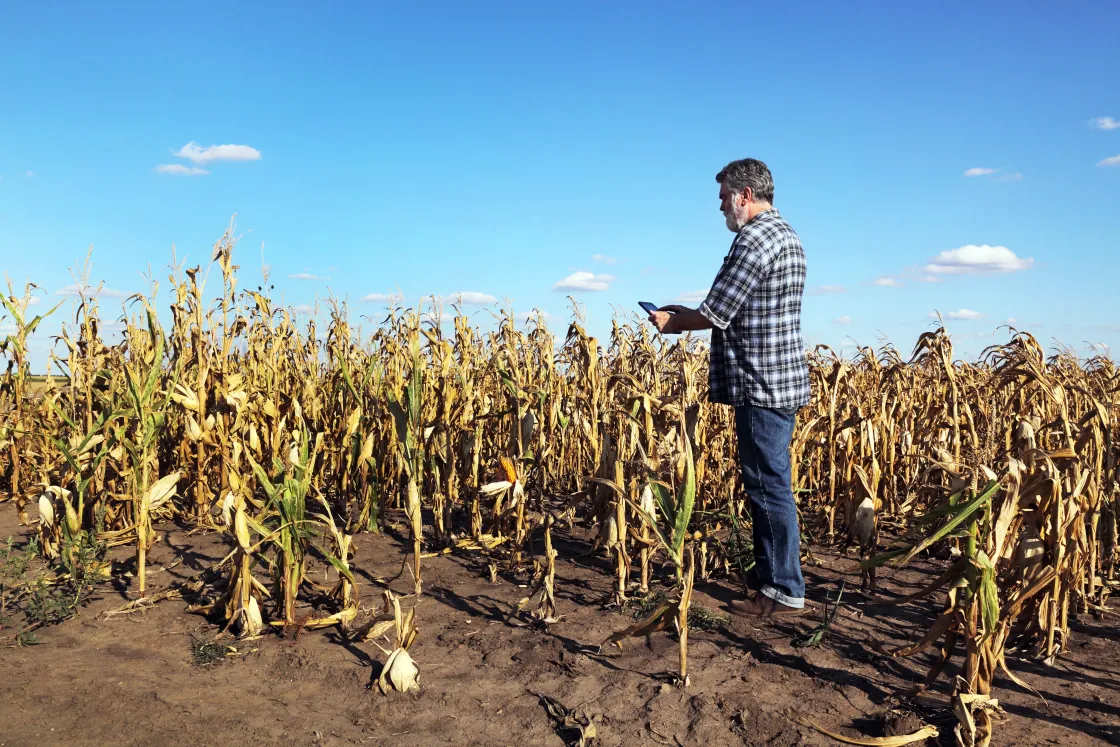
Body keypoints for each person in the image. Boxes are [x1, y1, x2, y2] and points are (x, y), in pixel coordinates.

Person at [648, 158, 810, 617]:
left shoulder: (754, 239)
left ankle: (781, 590)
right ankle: (773, 577)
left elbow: (717, 312)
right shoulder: (787, 235)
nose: (721, 207)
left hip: (760, 384)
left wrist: (674, 322)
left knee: (767, 486)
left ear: (744, 195)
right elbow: (738, 307)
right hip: (780, 380)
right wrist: (684, 311)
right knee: (771, 482)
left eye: (724, 198)